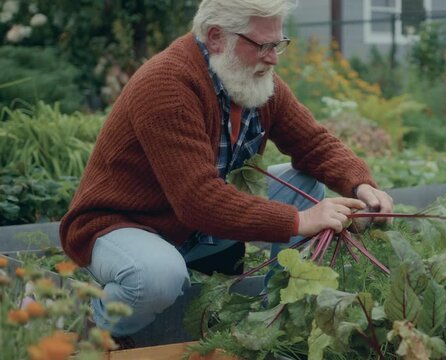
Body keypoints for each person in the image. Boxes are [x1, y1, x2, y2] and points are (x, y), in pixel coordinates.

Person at [59, 0, 393, 343]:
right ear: (217, 37)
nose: (273, 57)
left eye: (278, 44)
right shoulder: (166, 84)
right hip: (122, 225)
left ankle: (275, 320)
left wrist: (362, 185)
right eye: (262, 45)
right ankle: (90, 331)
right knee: (157, 278)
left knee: (303, 184)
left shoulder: (252, 79)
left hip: (191, 227)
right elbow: (197, 199)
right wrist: (298, 221)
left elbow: (313, 143)